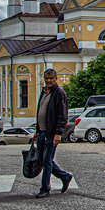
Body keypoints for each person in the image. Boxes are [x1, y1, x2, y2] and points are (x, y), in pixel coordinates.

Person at [33, 68, 72, 198]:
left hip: (51, 133)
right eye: (46, 78)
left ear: (56, 79)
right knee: (43, 160)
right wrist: (37, 131)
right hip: (42, 132)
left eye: (51, 78)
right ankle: (65, 176)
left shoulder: (59, 93)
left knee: (47, 161)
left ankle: (45, 188)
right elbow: (40, 112)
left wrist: (58, 133)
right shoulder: (44, 92)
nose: (48, 81)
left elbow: (62, 115)